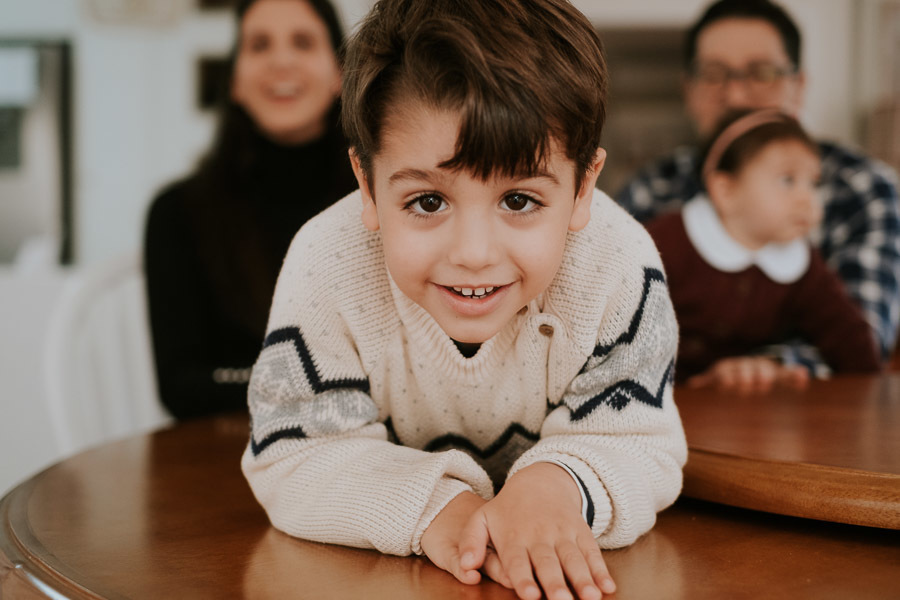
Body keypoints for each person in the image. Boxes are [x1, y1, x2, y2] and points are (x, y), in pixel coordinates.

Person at [241, 1, 687, 599]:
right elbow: (292, 454)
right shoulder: (327, 265)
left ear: (584, 186)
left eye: (519, 200)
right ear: (366, 185)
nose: (474, 254)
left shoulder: (617, 265)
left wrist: (556, 487)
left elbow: (641, 443)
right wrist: (441, 510)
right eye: (428, 202)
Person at [616, 0, 900, 391]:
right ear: (688, 89)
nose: (735, 96)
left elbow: (863, 343)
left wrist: (771, 368)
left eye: (762, 73)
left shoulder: (862, 188)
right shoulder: (651, 191)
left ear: (799, 86)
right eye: (713, 74)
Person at [144, 0, 356, 419]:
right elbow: (181, 386)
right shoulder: (176, 213)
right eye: (259, 45)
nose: (281, 61)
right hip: (230, 445)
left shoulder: (381, 202)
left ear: (339, 74)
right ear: (235, 81)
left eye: (303, 42)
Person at [646, 109, 881, 389]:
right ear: (725, 191)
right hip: (655, 397)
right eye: (787, 180)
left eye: (813, 183)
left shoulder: (802, 263)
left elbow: (846, 334)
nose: (807, 199)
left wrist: (871, 389)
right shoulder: (664, 243)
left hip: (745, 402)